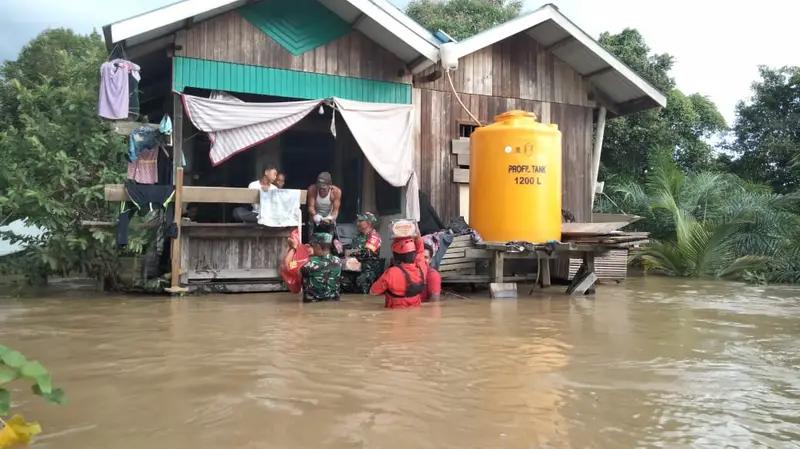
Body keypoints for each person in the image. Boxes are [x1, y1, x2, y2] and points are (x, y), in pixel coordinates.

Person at [370, 235, 427, 309]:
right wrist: (417, 237)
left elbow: (373, 291)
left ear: (396, 255)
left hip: (394, 315)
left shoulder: (391, 273)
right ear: (413, 253)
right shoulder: (421, 268)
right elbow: (420, 251)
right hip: (416, 313)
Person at [286, 232, 342, 302]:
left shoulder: (309, 263)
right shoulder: (338, 261)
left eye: (312, 246)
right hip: (333, 301)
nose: (310, 247)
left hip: (313, 303)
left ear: (318, 246)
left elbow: (289, 265)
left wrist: (293, 248)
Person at [341, 212, 384, 294]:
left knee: (362, 283)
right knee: (343, 281)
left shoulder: (374, 236)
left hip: (368, 269)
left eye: (361, 221)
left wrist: (350, 252)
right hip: (354, 268)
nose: (358, 223)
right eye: (358, 221)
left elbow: (368, 253)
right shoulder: (357, 237)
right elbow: (350, 251)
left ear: (369, 223)